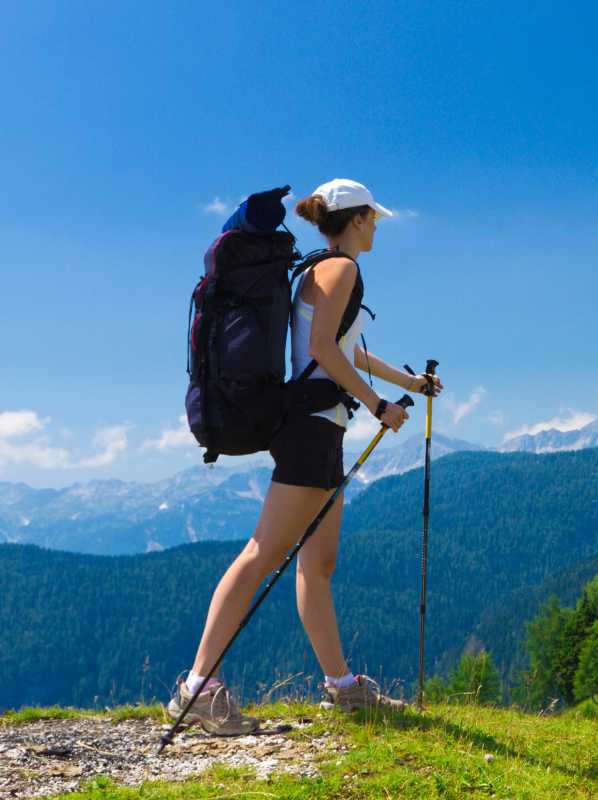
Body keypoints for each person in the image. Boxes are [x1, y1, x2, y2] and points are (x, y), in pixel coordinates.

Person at [168, 178, 443, 734]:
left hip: (315, 425)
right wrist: (379, 406)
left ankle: (341, 686)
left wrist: (408, 383)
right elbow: (322, 351)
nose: (377, 226)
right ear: (357, 219)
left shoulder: (319, 268)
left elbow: (346, 350)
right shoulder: (341, 270)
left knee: (317, 564)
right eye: (373, 218)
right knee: (262, 554)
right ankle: (198, 687)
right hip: (312, 428)